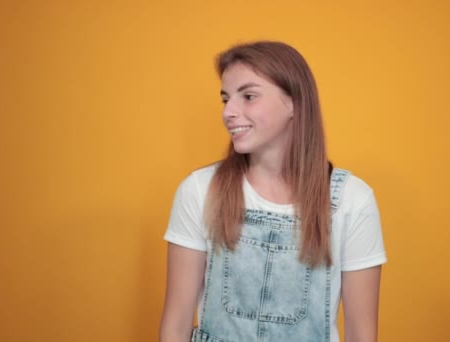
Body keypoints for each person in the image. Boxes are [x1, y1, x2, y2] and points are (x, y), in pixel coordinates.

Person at [159, 41, 387, 342]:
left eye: (248, 96)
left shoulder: (352, 201)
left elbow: (362, 335)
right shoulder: (200, 191)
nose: (229, 112)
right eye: (226, 99)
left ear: (294, 102)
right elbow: (175, 327)